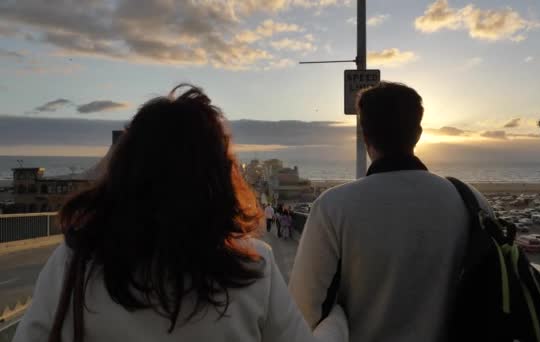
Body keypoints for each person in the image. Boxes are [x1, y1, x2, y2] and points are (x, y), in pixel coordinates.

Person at [14, 85, 348, 342]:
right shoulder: (251, 265)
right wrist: (337, 322)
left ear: (126, 172)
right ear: (217, 176)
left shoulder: (76, 263)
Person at [289, 82, 492, 342]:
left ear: (365, 136)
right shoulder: (471, 202)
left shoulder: (334, 206)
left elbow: (303, 310)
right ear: (418, 134)